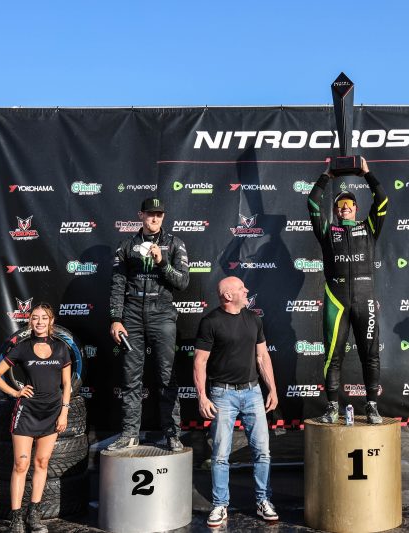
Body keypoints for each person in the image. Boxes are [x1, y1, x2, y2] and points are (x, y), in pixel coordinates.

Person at [193, 276, 279, 527]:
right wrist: (202, 396)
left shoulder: (254, 319)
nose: (247, 290)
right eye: (242, 288)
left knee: (262, 452)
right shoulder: (210, 322)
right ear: (228, 296)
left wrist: (272, 389)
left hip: (253, 392)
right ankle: (220, 505)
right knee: (220, 454)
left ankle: (263, 500)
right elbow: (200, 361)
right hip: (223, 395)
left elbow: (262, 357)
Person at [307, 157, 387, 424]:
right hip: (336, 299)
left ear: (356, 208)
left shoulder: (369, 227)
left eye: (348, 204)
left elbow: (382, 200)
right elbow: (312, 203)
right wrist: (326, 176)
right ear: (335, 210)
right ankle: (332, 406)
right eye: (339, 205)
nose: (344, 208)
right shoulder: (327, 231)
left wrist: (367, 173)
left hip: (365, 299)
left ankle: (372, 405)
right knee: (333, 356)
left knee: (370, 355)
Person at [109, 197, 190, 451]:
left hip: (162, 314)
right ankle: (129, 434)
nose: (154, 218)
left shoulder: (175, 244)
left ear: (163, 217)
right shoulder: (126, 246)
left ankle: (172, 434)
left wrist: (162, 262)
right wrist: (115, 319)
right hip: (132, 315)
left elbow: (182, 282)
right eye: (150, 214)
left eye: (159, 214)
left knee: (166, 376)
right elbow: (117, 284)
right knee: (130, 377)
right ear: (140, 215)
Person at [0, 303, 72, 533]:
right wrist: (15, 392)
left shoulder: (61, 348)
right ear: (30, 321)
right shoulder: (22, 348)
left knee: (42, 462)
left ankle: (34, 514)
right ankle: (16, 518)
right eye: (35, 318)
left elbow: (67, 384)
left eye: (44, 317)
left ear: (51, 321)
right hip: (27, 412)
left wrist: (64, 412)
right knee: (21, 464)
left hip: (52, 412)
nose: (39, 322)